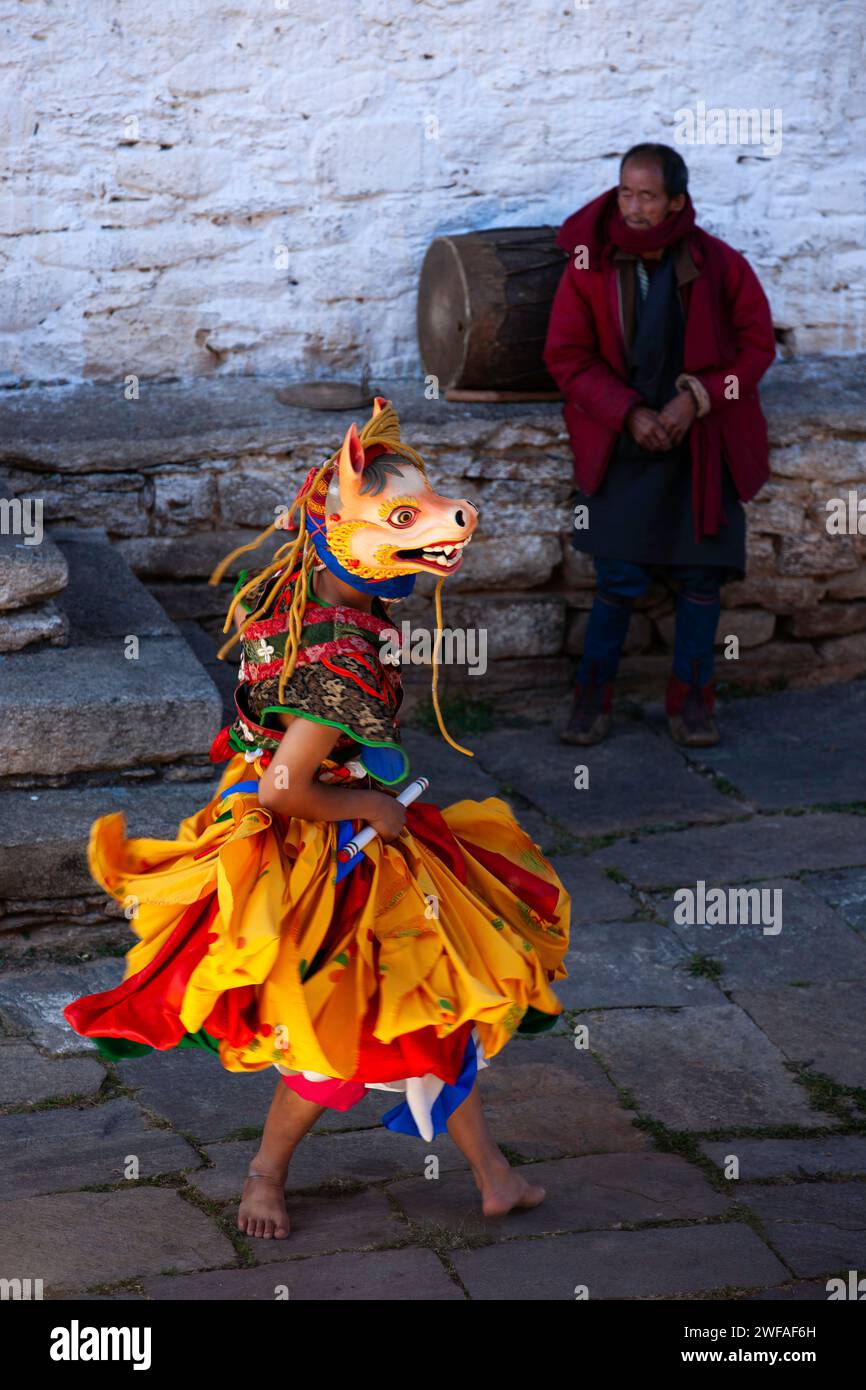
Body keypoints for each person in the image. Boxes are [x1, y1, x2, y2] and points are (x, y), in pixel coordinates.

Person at [64, 398, 570, 1239]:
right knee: (338, 1029)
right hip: (334, 853)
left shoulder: (313, 592)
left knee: (437, 1011)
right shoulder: (341, 667)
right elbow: (284, 787)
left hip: (365, 833)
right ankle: (265, 1172)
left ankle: (494, 1174)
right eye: (403, 517)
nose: (443, 520)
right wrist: (369, 802)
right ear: (343, 529)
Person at [544, 143, 775, 747]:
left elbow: (756, 351)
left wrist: (696, 398)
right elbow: (566, 356)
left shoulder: (720, 265)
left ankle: (693, 702)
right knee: (617, 579)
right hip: (625, 444)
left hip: (703, 447)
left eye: (649, 196)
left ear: (677, 200)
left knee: (701, 581)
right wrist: (628, 412)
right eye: (626, 192)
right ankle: (590, 701)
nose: (635, 207)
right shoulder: (590, 264)